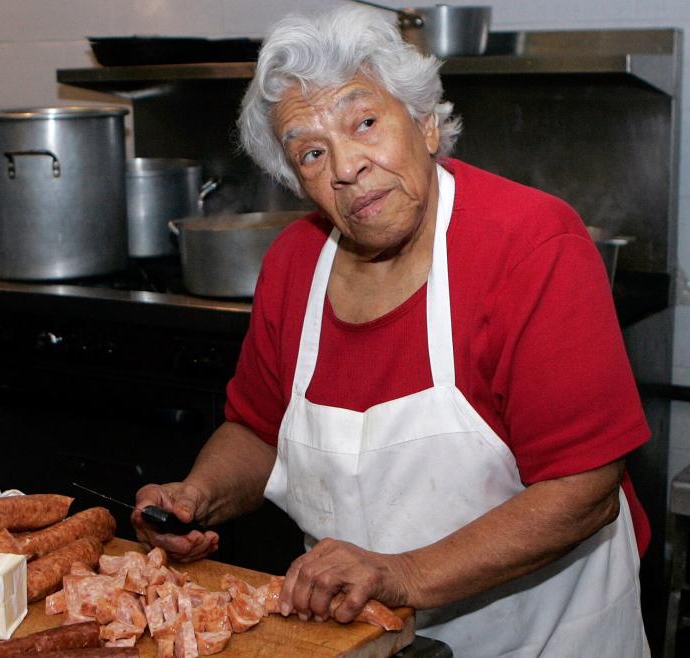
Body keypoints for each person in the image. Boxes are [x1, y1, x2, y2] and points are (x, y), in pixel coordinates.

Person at [131, 6, 651, 656]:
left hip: (543, 636)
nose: (346, 167)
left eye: (366, 122)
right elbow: (257, 429)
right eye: (313, 152)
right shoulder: (295, 265)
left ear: (427, 122)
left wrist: (402, 573)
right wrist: (199, 495)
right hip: (363, 642)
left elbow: (584, 491)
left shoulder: (531, 246)